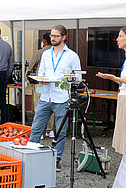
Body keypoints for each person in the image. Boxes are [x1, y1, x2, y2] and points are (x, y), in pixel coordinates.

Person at [28, 25, 81, 172]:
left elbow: (78, 77)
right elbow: (41, 73)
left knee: (61, 132)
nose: (53, 38)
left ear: (64, 37)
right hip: (45, 96)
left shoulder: (72, 56)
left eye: (56, 36)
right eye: (52, 35)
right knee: (36, 128)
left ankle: (56, 160)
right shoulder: (46, 54)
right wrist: (41, 80)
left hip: (61, 98)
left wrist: (66, 81)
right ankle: (31, 156)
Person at [96, 27, 126, 155]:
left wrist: (114, 77)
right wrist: (110, 78)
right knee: (125, 134)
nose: (117, 39)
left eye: (120, 36)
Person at [26, 32, 55, 139]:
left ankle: (40, 131)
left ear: (44, 41)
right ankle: (50, 130)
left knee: (39, 106)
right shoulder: (56, 52)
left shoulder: (40, 52)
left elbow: (31, 65)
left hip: (41, 83)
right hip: (52, 84)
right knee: (51, 106)